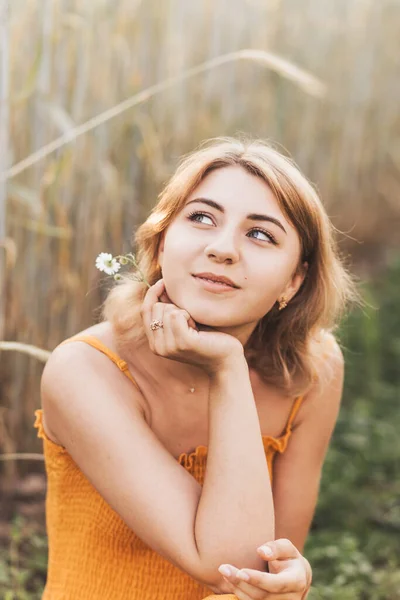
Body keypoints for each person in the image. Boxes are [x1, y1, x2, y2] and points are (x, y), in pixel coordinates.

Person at [34, 136, 358, 599]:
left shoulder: (310, 370)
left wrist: (290, 580)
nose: (223, 249)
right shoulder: (84, 371)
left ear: (294, 279)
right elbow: (229, 566)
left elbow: (258, 570)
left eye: (260, 233)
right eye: (201, 218)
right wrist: (228, 366)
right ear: (162, 242)